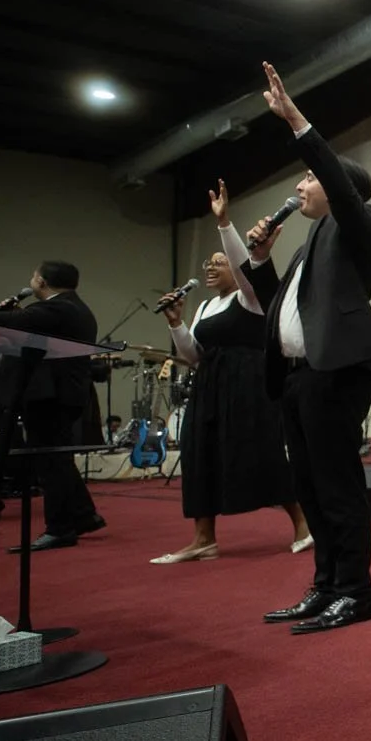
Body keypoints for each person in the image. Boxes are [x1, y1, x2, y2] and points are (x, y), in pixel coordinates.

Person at [242, 62, 371, 635]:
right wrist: (259, 260)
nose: (299, 186)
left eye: (308, 176)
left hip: (337, 372)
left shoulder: (361, 223)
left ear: (336, 185)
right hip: (300, 376)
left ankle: (355, 591)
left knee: (336, 484)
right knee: (308, 486)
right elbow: (279, 306)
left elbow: (338, 184)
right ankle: (326, 584)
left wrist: (296, 120)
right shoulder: (309, 245)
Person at [152, 181, 310, 564]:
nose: (210, 267)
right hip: (209, 384)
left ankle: (304, 525)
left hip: (249, 383)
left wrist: (224, 223)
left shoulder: (248, 298)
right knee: (199, 453)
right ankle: (203, 538)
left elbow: (246, 269)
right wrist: (176, 323)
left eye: (218, 263)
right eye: (208, 263)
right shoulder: (205, 308)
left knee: (261, 452)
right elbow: (193, 355)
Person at [0, 262, 105, 551]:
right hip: (58, 394)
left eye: (34, 276)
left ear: (43, 282)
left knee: (49, 462)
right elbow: (28, 331)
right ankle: (84, 515)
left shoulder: (58, 308)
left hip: (52, 396)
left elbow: (4, 323)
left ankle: (59, 529)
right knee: (56, 458)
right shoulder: (71, 307)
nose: (31, 281)